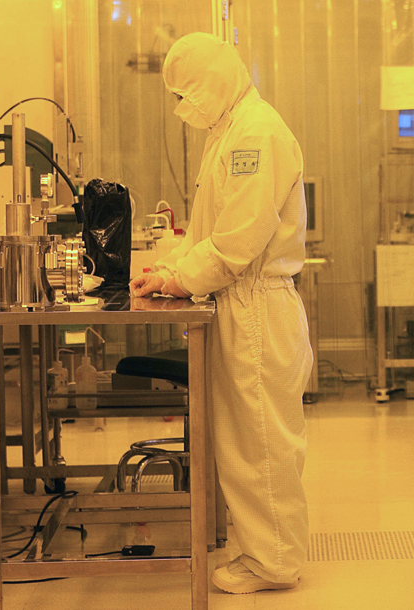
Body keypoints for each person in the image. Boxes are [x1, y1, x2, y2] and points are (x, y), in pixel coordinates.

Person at [129, 32, 311, 595]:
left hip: (256, 307)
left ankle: (273, 562)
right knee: (243, 443)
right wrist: (170, 270)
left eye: (188, 92)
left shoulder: (254, 134)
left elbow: (235, 244)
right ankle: (258, 548)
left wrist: (179, 277)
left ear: (214, 78)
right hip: (241, 304)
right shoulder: (229, 130)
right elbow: (208, 231)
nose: (185, 106)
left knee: (260, 442)